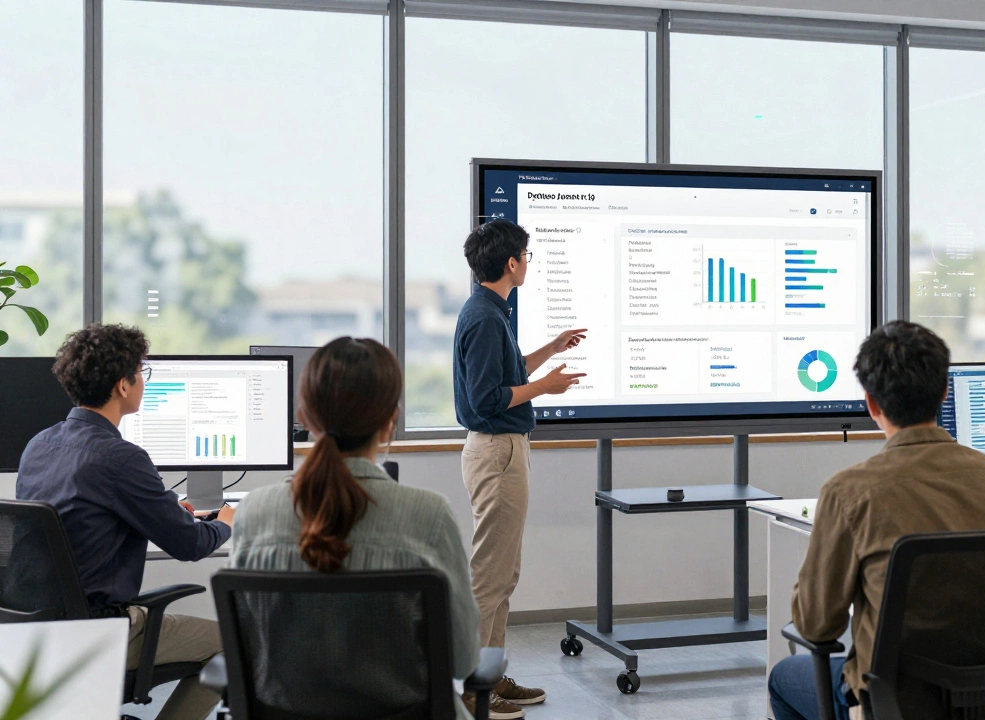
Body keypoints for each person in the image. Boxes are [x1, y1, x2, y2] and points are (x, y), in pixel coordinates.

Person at [767, 321, 985, 720]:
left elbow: (817, 626)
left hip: (895, 700)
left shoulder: (849, 491)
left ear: (871, 403)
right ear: (944, 392)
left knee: (784, 678)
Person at [230, 337, 481, 718]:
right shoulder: (429, 516)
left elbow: (248, 654)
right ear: (390, 422)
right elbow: (462, 660)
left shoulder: (253, 514)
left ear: (304, 415)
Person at [16, 324, 231, 720]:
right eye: (140, 373)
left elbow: (78, 520)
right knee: (232, 644)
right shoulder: (120, 458)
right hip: (100, 630)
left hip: (36, 629)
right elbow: (191, 546)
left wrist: (160, 512)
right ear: (123, 386)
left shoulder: (39, 444)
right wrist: (227, 522)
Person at [452, 219, 586, 718]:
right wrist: (545, 389)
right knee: (490, 574)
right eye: (526, 256)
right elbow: (490, 398)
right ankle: (474, 688)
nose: (528, 263)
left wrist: (551, 349)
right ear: (511, 262)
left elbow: (506, 373)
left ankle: (491, 675)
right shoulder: (486, 317)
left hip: (503, 449)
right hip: (497, 451)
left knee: (503, 573)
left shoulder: (490, 310)